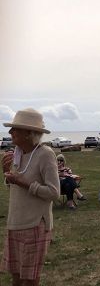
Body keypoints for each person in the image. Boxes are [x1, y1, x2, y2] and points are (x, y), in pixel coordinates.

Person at [0, 108, 60, 286]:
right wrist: (6, 173)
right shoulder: (18, 154)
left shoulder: (46, 154)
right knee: (16, 278)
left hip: (34, 225)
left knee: (30, 280)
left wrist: (23, 182)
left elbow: (54, 193)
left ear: (29, 133)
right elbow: (15, 186)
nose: (10, 132)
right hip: (15, 223)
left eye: (15, 128)